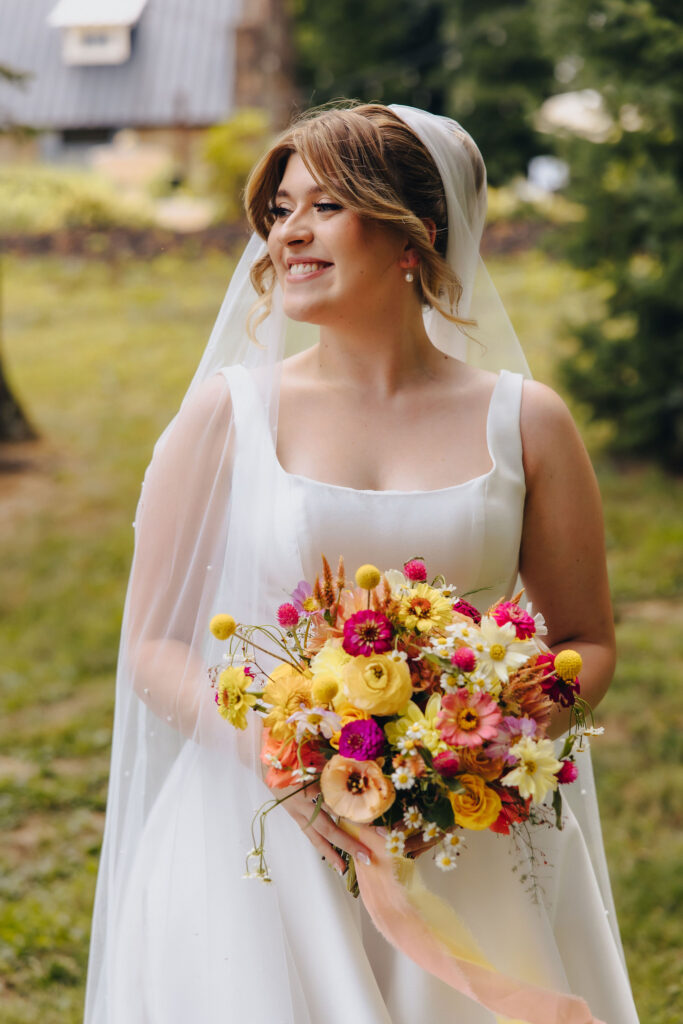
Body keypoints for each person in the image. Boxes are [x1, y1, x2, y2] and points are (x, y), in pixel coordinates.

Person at [83, 103, 640, 1024]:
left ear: (414, 236)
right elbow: (153, 647)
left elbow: (586, 640)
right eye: (279, 209)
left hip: (464, 843)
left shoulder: (527, 422)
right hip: (256, 837)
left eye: (325, 206)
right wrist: (289, 765)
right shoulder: (227, 418)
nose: (286, 234)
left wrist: (474, 754)